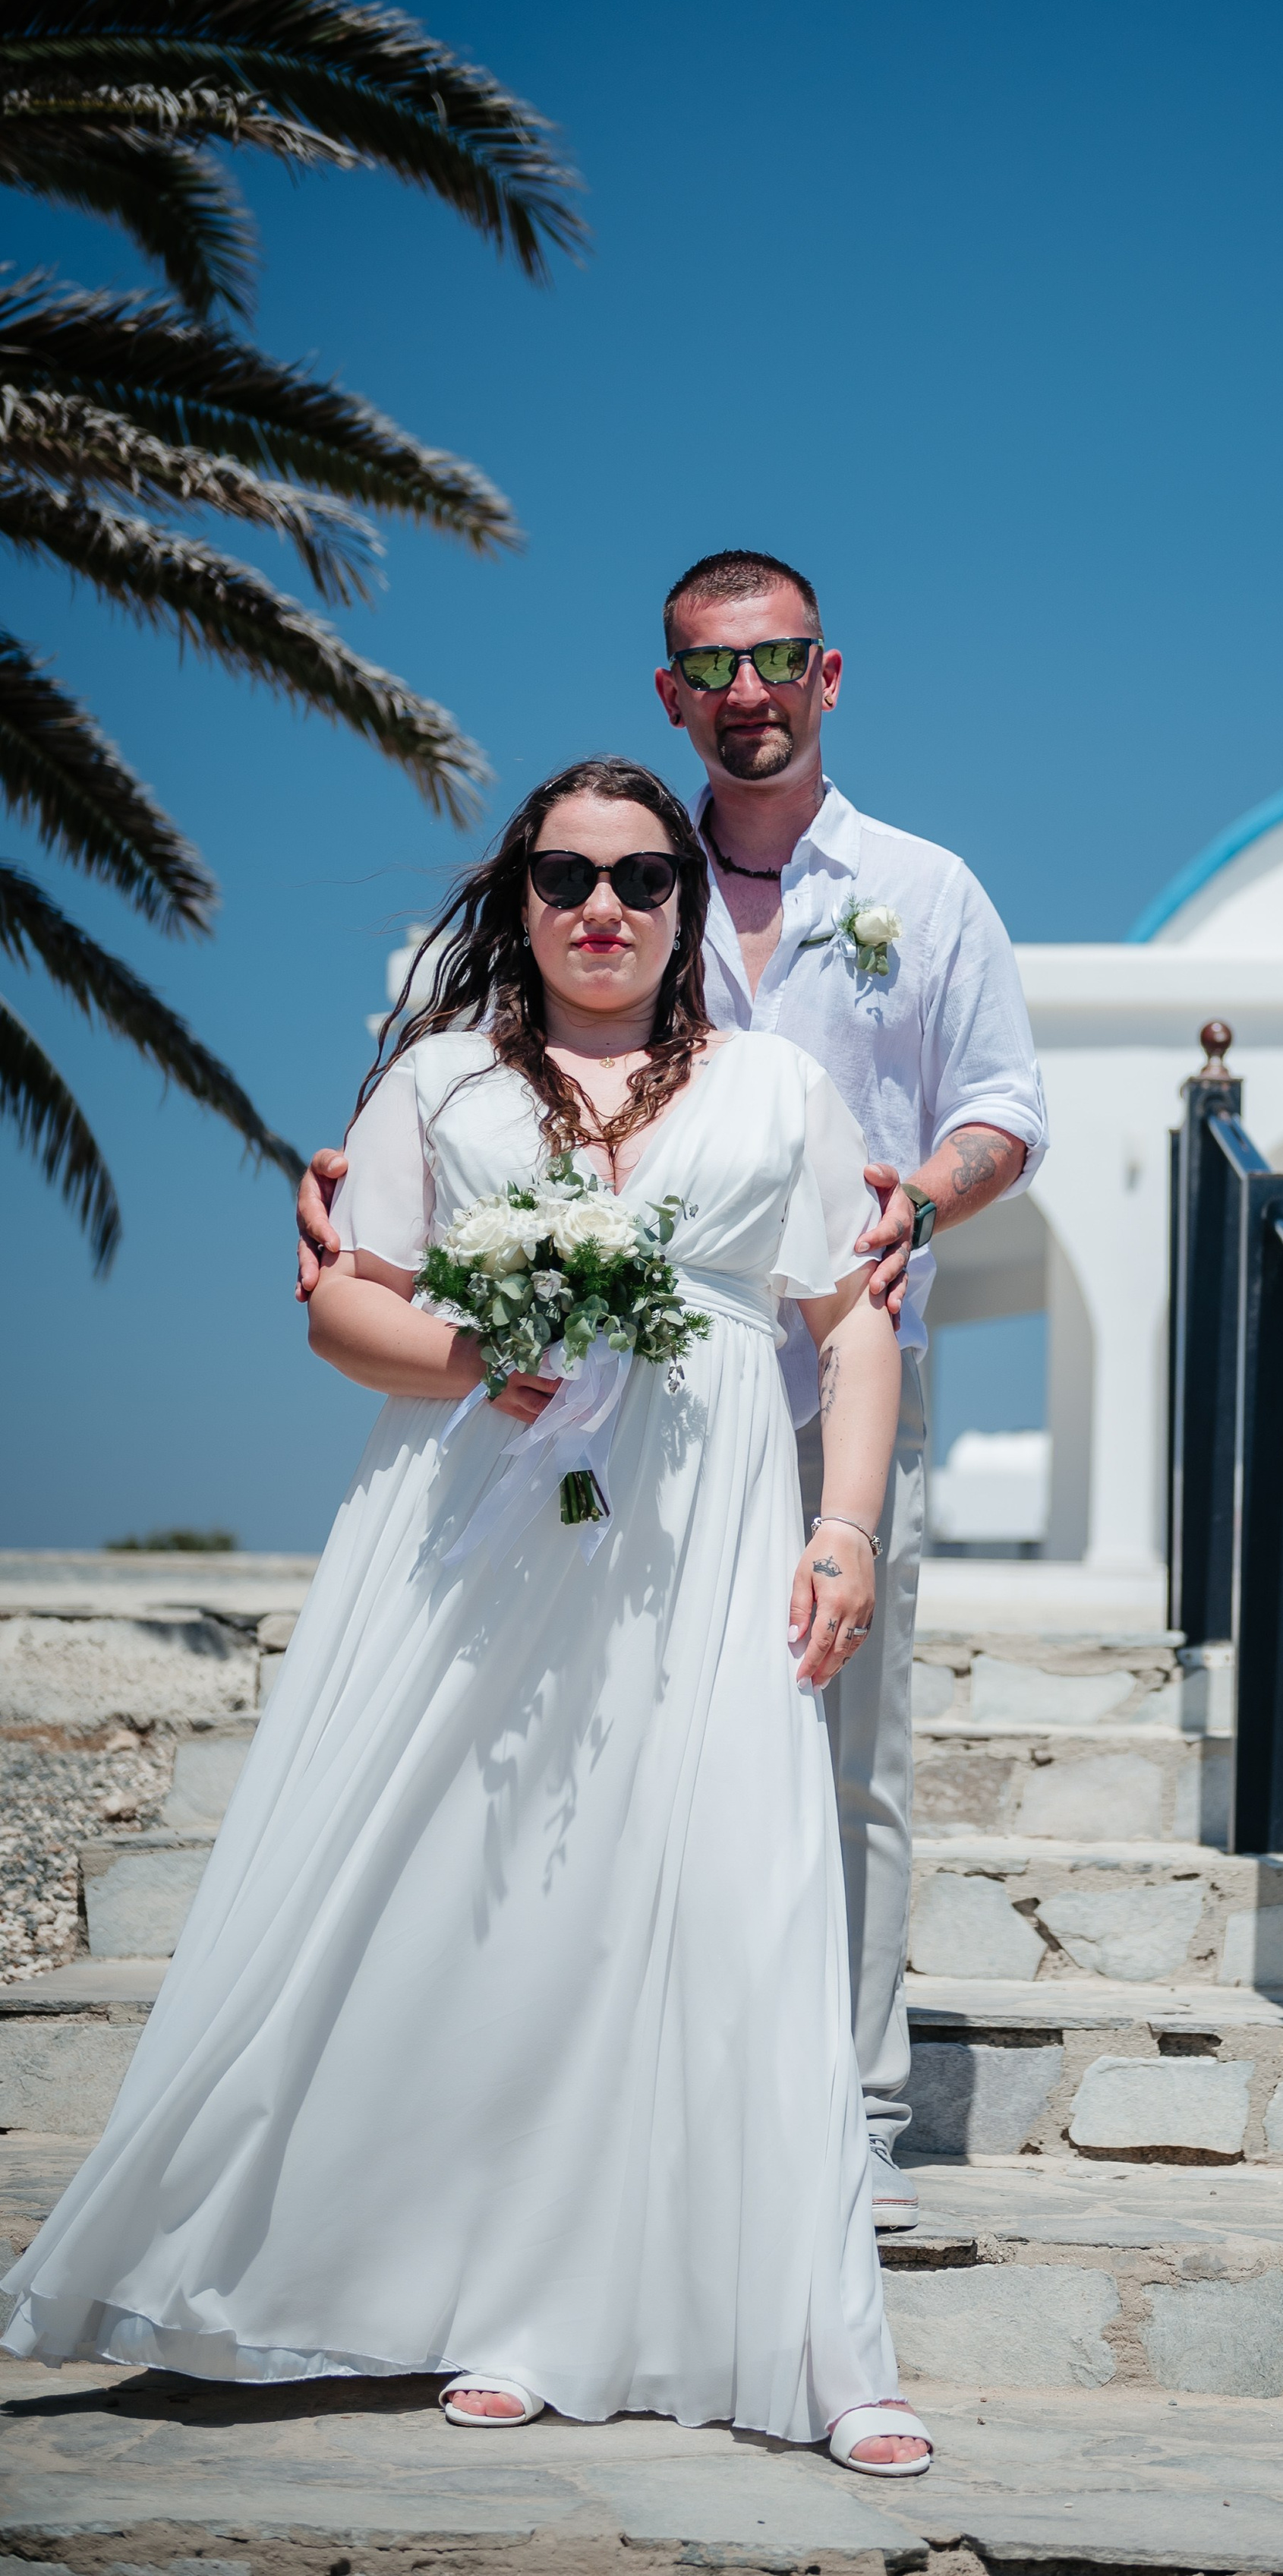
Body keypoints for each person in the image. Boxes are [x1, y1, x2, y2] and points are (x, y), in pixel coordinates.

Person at [4, 759, 931, 2470]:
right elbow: (343, 1308)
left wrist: (848, 1528)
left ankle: (819, 2342)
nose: (605, 906)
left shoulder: (783, 1087)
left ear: (681, 904)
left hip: (709, 1534)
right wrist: (476, 1352)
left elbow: (850, 1324)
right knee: (508, 1891)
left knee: (743, 1882)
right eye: (566, 873)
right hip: (485, 1533)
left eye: (644, 877)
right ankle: (508, 2304)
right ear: (515, 895)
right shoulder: (438, 1082)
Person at [298, 552, 1048, 2230]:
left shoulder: (924, 890)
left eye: (779, 660)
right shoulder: (615, 865)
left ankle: (847, 2107)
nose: (749, 692)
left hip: (837, 1363)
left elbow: (1005, 1103)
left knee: (846, 1743)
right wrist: (349, 1175)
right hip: (601, 1397)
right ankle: (591, 2093)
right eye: (713, 668)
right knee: (597, 1718)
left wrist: (916, 1199)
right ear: (671, 693)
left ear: (829, 673)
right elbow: (456, 1057)